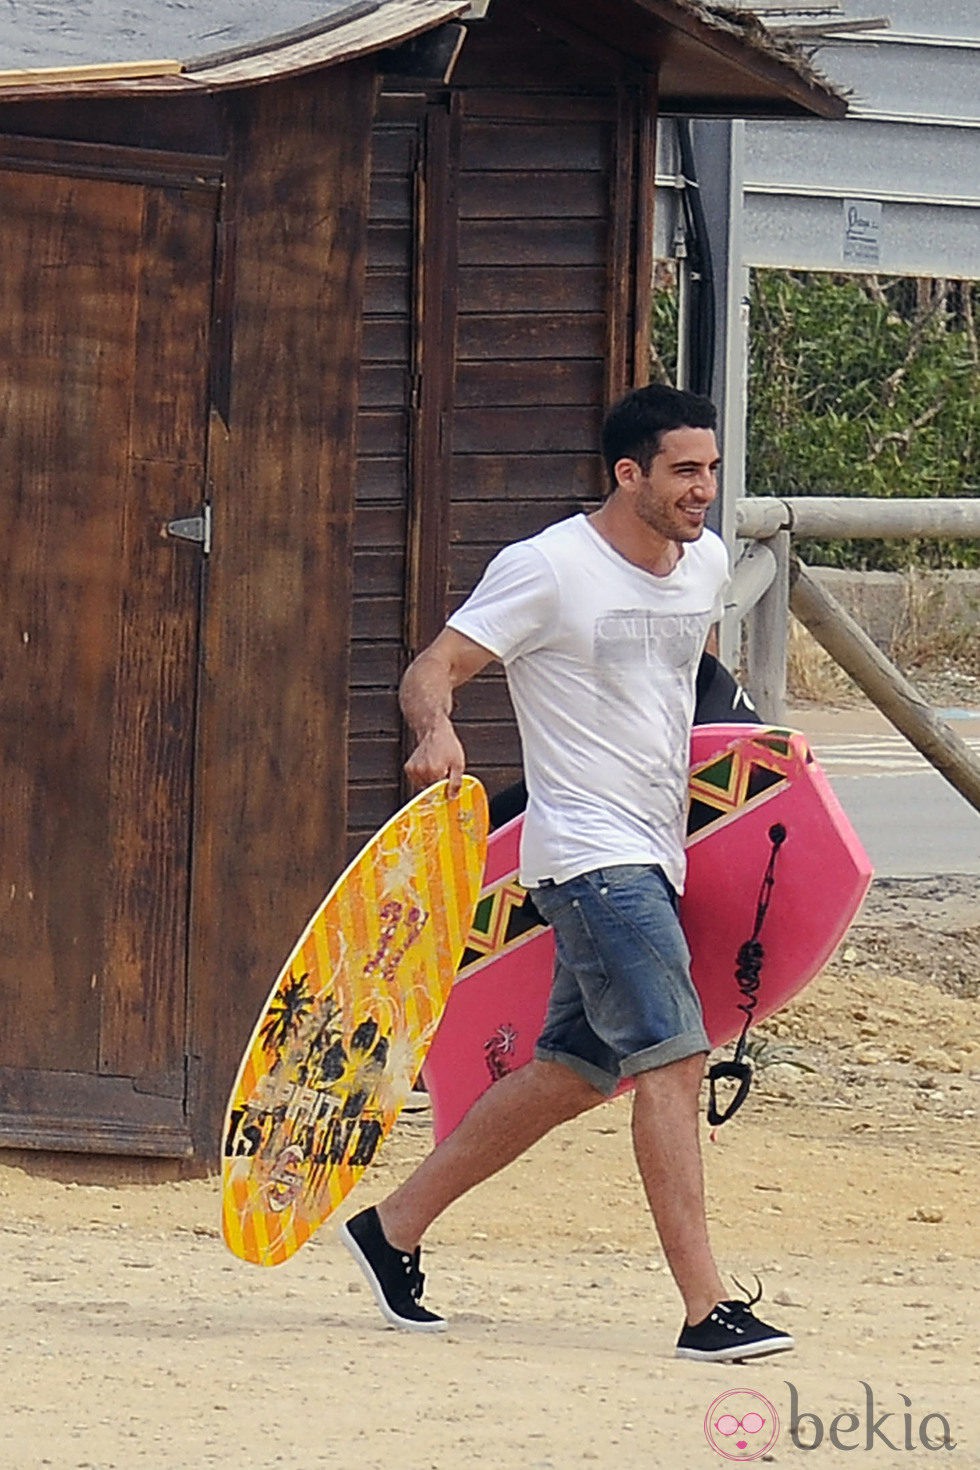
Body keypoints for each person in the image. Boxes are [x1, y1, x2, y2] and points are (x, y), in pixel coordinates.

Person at [340, 384, 794, 1363]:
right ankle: (703, 1307)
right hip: (588, 858)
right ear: (626, 472)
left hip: (657, 850)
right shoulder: (546, 568)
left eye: (709, 470)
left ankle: (391, 1228)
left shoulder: (703, 561)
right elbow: (433, 667)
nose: (701, 490)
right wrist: (434, 731)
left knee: (572, 1072)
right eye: (682, 471)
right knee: (672, 1062)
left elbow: (687, 684)